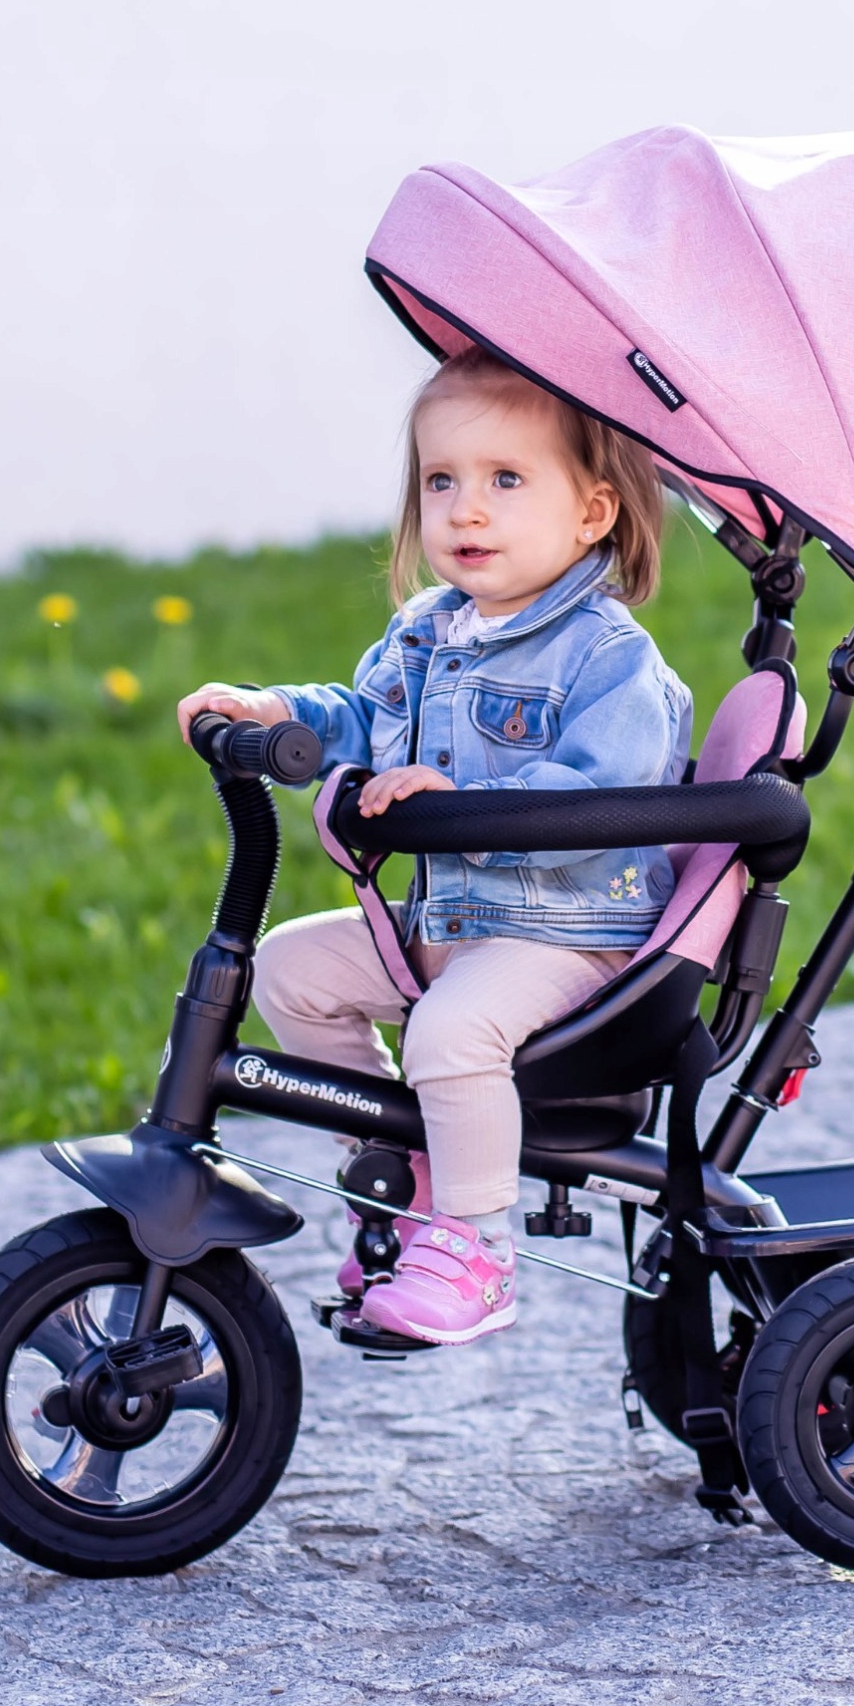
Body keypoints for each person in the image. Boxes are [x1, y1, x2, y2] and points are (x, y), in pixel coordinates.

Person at [178, 351, 691, 1346]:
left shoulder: (610, 656)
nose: (466, 509)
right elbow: (360, 719)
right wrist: (276, 713)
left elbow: (603, 798)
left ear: (592, 513)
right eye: (441, 480)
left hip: (570, 938)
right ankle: (398, 1173)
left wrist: (469, 803)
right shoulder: (426, 630)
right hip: (455, 922)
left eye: (507, 479)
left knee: (450, 1033)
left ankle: (475, 1246)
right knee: (289, 972)